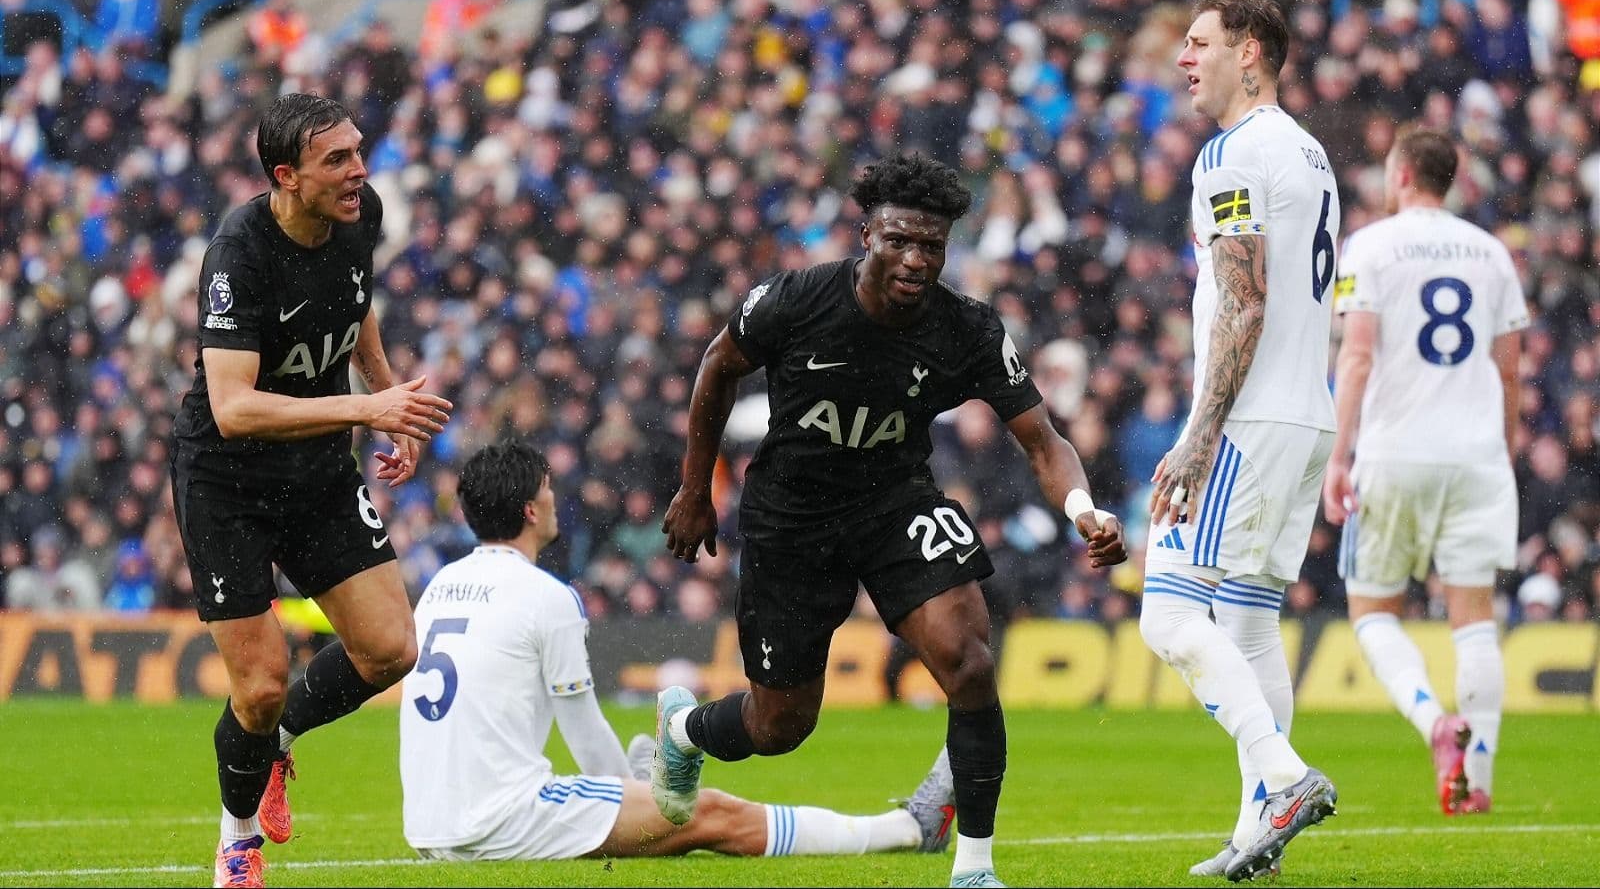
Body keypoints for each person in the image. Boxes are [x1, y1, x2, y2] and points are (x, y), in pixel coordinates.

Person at [656, 151, 1127, 889]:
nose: (914, 259)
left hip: (893, 499)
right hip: (792, 514)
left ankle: (974, 868)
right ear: (866, 232)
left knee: (970, 664)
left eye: (930, 246)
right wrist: (694, 492)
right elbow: (718, 366)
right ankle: (684, 731)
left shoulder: (966, 329)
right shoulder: (797, 298)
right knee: (781, 727)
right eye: (898, 240)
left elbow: (1043, 439)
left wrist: (1083, 508)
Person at [400, 438, 957, 862]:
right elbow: (584, 732)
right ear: (529, 509)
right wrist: (639, 798)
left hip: (430, 825)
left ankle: (655, 781)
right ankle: (909, 830)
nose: (553, 498)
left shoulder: (438, 589)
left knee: (681, 806)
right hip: (499, 822)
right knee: (705, 812)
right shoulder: (546, 596)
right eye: (547, 488)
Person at [169, 93, 453, 888]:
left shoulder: (360, 216)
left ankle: (278, 748)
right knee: (256, 688)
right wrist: (369, 406)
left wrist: (391, 402)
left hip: (320, 468)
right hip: (228, 481)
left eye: (359, 151)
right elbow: (233, 408)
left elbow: (355, 311)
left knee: (393, 648)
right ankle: (236, 843)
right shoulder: (239, 252)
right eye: (338, 159)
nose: (359, 169)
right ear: (286, 177)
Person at [1140, 0, 1341, 880]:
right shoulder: (1309, 150)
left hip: (1248, 419)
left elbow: (1245, 298)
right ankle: (1259, 829)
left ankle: (1284, 776)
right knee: (1252, 626)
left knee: (1170, 615)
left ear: (1249, 52)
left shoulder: (1233, 153)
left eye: (1199, 43)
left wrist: (1199, 434)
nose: (1185, 59)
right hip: (1308, 413)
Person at [1322, 126, 1526, 818]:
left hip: (1395, 452)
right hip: (1477, 457)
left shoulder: (1372, 245)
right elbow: (1508, 369)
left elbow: (1356, 358)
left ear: (1403, 174)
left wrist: (1339, 454)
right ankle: (1481, 779)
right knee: (1474, 621)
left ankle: (1433, 721)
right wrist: (1502, 448)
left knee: (1372, 610)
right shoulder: (1493, 253)